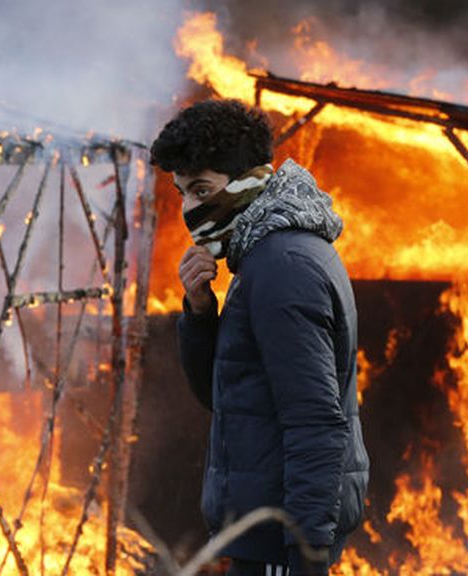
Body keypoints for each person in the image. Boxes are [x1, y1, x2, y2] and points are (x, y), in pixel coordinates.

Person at [150, 99, 369, 576]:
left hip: (281, 543)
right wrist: (201, 312)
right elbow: (226, 396)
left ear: (250, 181)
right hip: (265, 536)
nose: (190, 208)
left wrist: (305, 557)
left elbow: (316, 423)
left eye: (202, 189)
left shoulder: (281, 267)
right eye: (183, 192)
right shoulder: (264, 256)